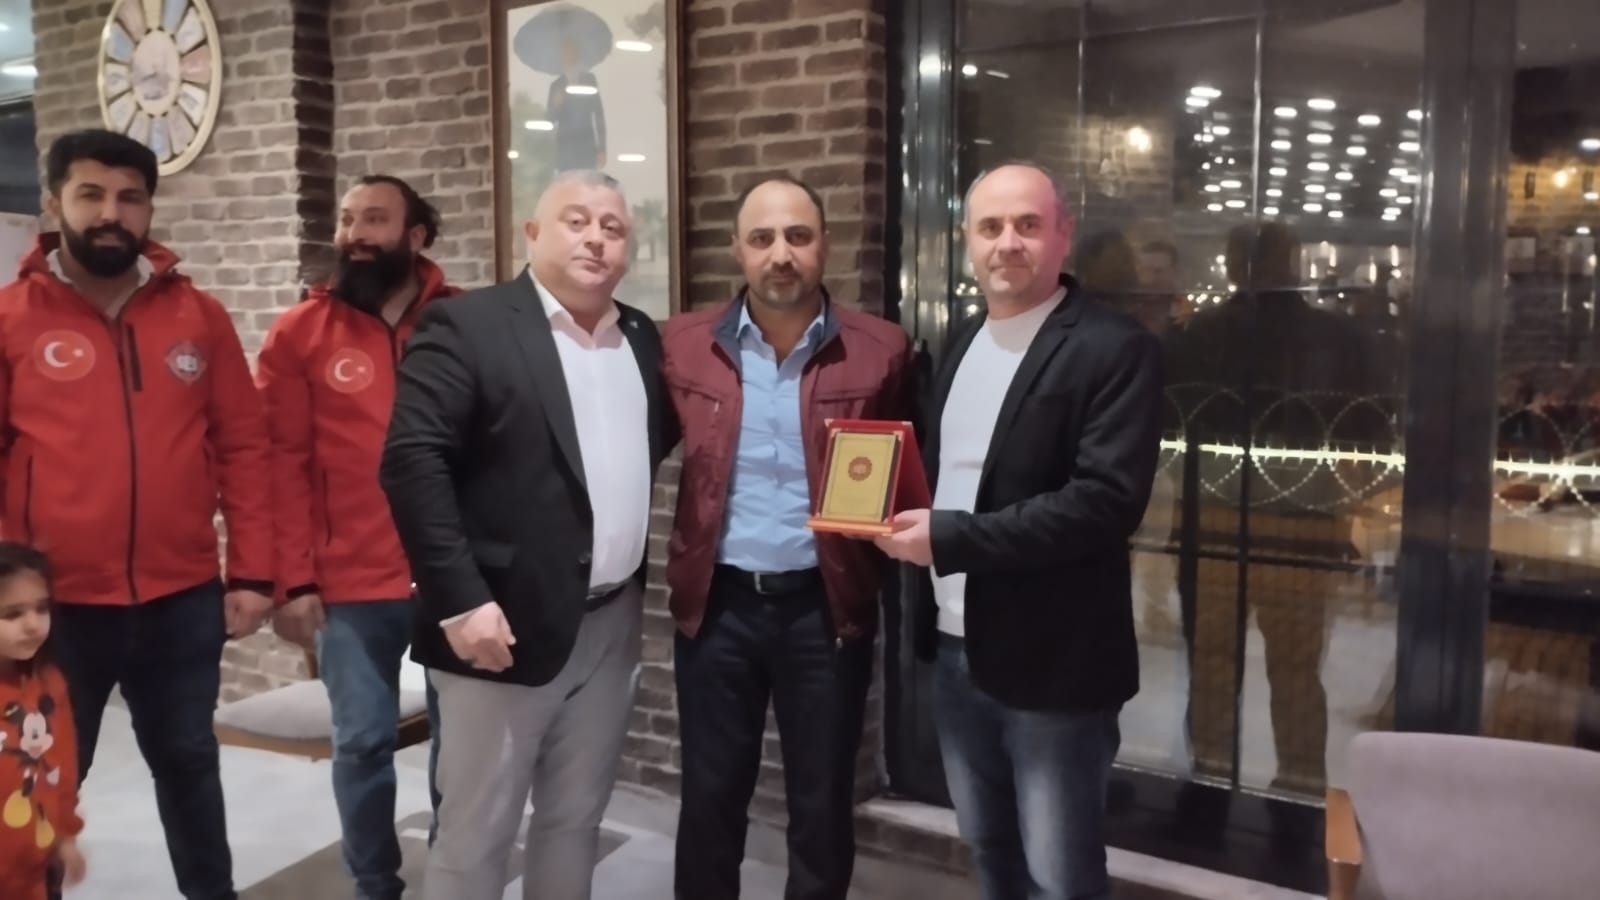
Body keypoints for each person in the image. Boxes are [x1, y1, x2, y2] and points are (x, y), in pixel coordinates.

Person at [380, 169, 674, 900]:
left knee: (576, 822)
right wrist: (459, 601)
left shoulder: (641, 337)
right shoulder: (468, 325)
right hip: (496, 626)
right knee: (476, 835)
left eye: (612, 227)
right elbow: (413, 463)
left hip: (610, 625)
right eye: (576, 221)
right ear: (534, 234)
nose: (596, 238)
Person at [875, 161, 1164, 900]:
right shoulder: (962, 341)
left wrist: (950, 539)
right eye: (991, 227)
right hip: (954, 650)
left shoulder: (1113, 347)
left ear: (1063, 234)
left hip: (1056, 665)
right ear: (967, 242)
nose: (1008, 242)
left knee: (1060, 877)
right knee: (990, 855)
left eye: (1028, 225)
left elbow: (1103, 503)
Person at [0, 129, 275, 900]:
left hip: (180, 598)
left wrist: (253, 572)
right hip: (53, 609)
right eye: (90, 194)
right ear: (54, 203)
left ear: (149, 207)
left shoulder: (200, 317)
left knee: (189, 763)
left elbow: (244, 448)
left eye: (129, 198)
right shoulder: (11, 318)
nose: (110, 213)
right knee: (42, 779)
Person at [661, 174, 916, 900]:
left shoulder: (882, 349)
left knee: (823, 802)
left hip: (824, 609)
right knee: (710, 799)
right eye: (763, 238)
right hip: (718, 610)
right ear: (737, 249)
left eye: (798, 236)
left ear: (824, 245)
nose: (781, 254)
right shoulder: (682, 346)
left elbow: (904, 474)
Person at [256, 174, 459, 900]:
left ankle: (457, 875)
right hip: (347, 581)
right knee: (364, 741)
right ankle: (375, 884)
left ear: (416, 235)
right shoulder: (299, 333)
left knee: (463, 748)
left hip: (453, 577)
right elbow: (278, 464)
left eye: (375, 219)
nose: (355, 235)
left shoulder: (466, 321)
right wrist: (292, 580)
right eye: (348, 220)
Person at [0, 543, 86, 900]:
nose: (33, 625)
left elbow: (61, 770)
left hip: (34, 872)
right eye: (12, 614)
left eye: (41, 608)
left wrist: (65, 836)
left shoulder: (50, 685)